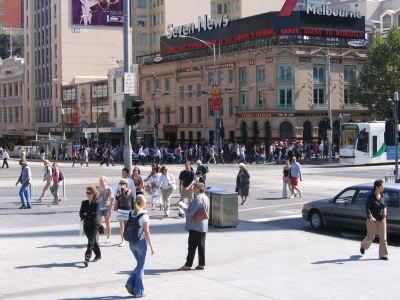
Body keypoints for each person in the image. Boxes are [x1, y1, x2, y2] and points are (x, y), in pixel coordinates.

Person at [125, 195, 155, 298]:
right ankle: (138, 291)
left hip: (131, 243)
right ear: (143, 203)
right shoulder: (144, 216)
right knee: (141, 267)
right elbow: (147, 232)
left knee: (139, 265)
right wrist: (151, 247)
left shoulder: (131, 213)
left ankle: (130, 283)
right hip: (140, 243)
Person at [177, 182, 209, 271]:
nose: (192, 189)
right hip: (203, 225)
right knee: (201, 245)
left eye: (194, 187)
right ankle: (201, 264)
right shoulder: (205, 197)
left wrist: (182, 206)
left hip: (196, 225)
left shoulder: (198, 198)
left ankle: (188, 265)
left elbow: (190, 212)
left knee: (192, 246)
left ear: (199, 188)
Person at [360, 179, 389, 260]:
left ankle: (383, 255)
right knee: (371, 237)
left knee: (383, 237)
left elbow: (385, 205)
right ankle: (363, 246)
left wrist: (385, 211)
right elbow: (368, 208)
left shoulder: (383, 195)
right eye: (382, 186)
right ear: (377, 187)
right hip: (372, 219)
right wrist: (371, 217)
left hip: (382, 218)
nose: (383, 187)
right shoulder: (371, 196)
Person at [79, 186, 101, 267]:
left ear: (93, 194)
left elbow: (94, 214)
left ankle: (86, 258)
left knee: (90, 242)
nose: (87, 194)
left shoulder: (96, 203)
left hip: (94, 225)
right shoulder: (84, 202)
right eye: (86, 193)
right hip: (86, 225)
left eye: (89, 193)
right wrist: (88, 214)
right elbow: (81, 214)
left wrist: (86, 214)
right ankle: (98, 255)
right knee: (93, 241)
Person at [115, 179, 134, 247]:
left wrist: (122, 192)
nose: (122, 185)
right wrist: (120, 192)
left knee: (127, 225)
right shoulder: (119, 191)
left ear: (126, 184)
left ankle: (128, 238)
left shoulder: (129, 191)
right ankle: (122, 241)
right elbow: (117, 198)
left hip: (127, 209)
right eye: (120, 184)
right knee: (121, 225)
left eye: (123, 184)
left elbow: (125, 198)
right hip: (120, 209)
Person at [97, 176, 113, 244]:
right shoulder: (97, 188)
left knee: (107, 223)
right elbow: (95, 198)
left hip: (106, 207)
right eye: (100, 181)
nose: (100, 182)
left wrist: (110, 209)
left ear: (105, 182)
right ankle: (97, 238)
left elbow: (111, 199)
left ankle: (108, 238)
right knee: (98, 223)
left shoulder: (108, 189)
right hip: (99, 208)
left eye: (102, 181)